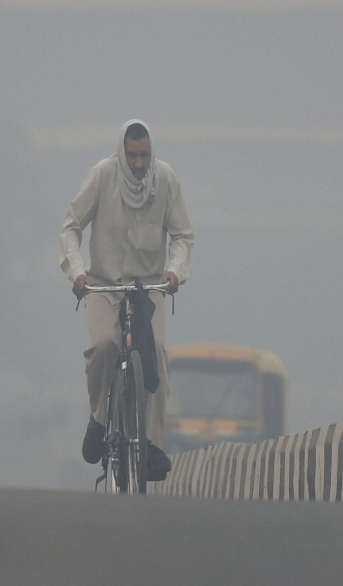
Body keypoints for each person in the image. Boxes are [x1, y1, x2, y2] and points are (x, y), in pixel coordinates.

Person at [60, 119, 194, 481]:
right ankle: (99, 421)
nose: (138, 164)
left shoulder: (165, 181)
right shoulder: (102, 176)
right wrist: (77, 272)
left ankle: (149, 443)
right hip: (104, 286)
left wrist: (175, 272)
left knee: (157, 355)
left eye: (144, 156)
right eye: (132, 156)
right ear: (122, 152)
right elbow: (71, 227)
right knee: (105, 345)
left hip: (149, 288)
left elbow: (182, 234)